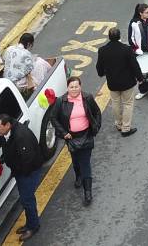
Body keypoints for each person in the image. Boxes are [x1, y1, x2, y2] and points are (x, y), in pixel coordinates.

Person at [51, 76, 101, 208]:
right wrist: (64, 133)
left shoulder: (87, 98)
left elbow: (97, 113)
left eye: (76, 86)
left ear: (80, 86)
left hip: (86, 135)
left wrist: (95, 128)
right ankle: (78, 175)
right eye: (71, 87)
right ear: (67, 88)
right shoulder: (61, 101)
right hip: (71, 137)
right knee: (76, 159)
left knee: (85, 163)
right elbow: (53, 118)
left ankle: (88, 192)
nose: (74, 89)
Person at [0, 112, 47, 239]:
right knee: (25, 199)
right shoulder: (6, 132)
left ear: (7, 125)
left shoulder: (21, 136)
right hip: (21, 172)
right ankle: (30, 223)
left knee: (27, 199)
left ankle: (33, 226)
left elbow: (27, 160)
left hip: (28, 172)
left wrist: (21, 174)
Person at [95, 27, 143, 136]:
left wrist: (101, 73)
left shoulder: (103, 50)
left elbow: (99, 66)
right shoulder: (126, 49)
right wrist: (140, 78)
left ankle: (118, 124)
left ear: (109, 37)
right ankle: (126, 128)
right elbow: (134, 65)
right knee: (127, 104)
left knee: (116, 103)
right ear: (119, 36)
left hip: (112, 83)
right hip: (127, 83)